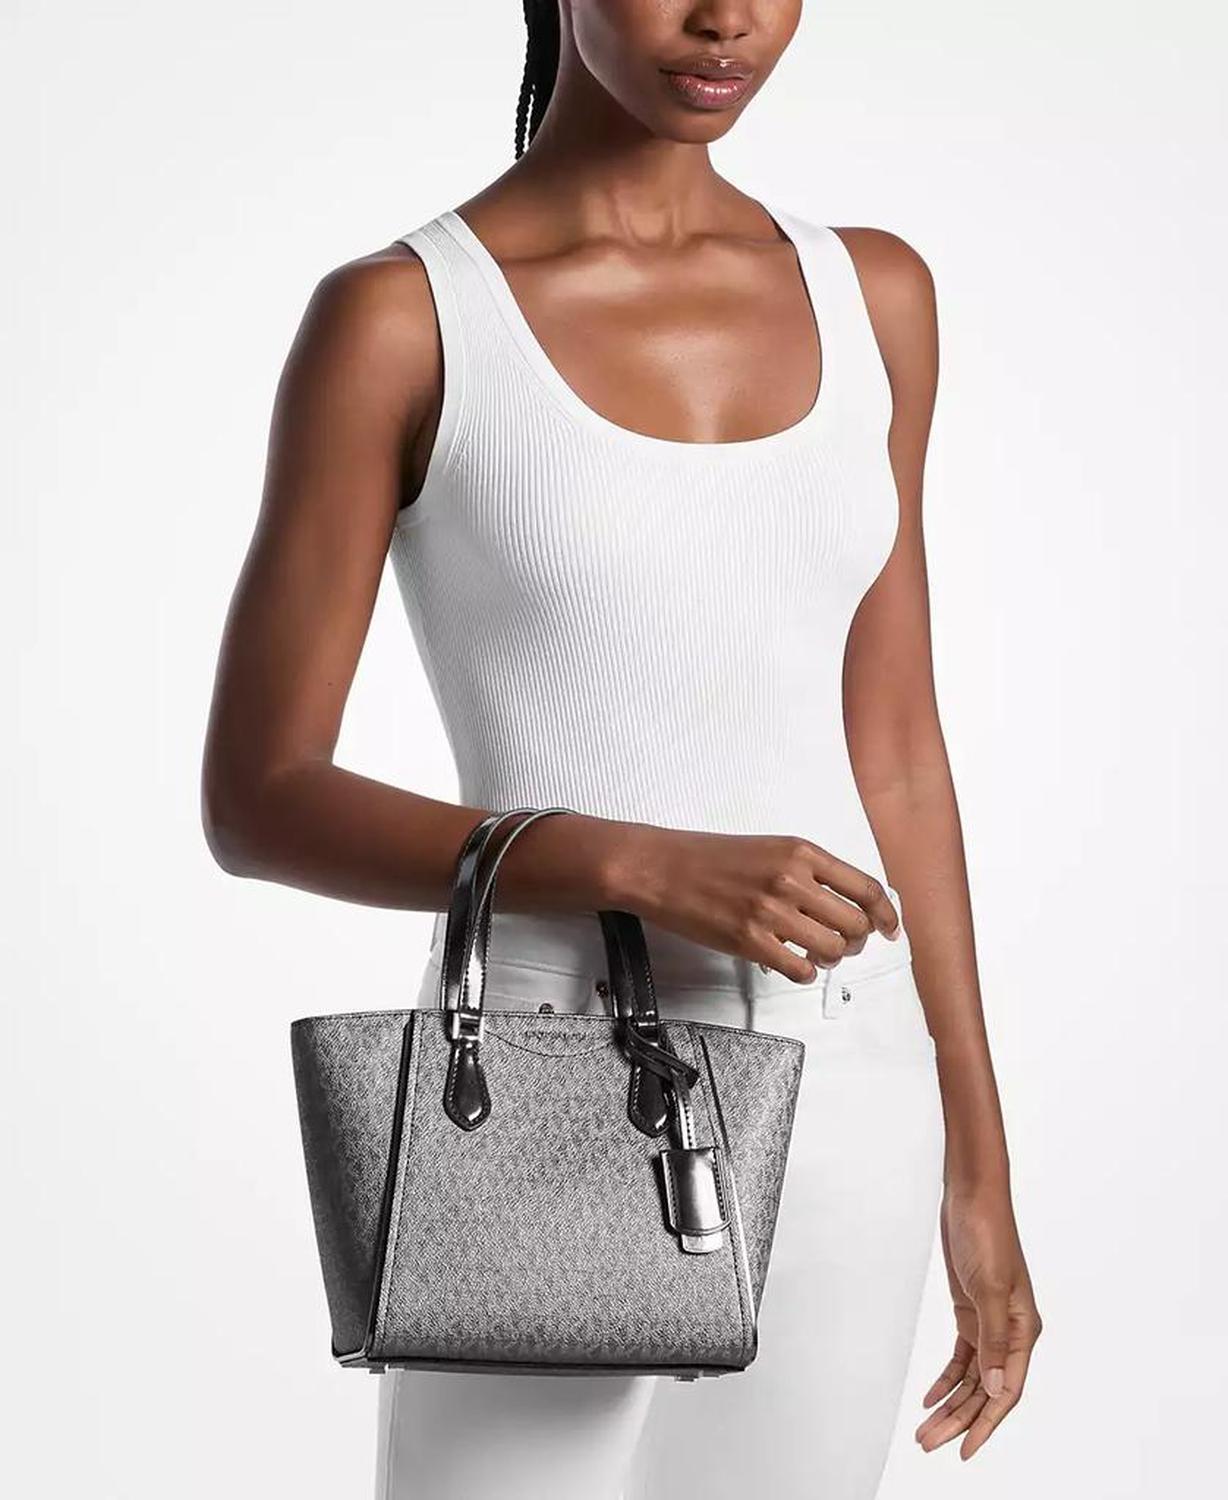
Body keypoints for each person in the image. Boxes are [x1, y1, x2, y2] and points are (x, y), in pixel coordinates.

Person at [201, 2, 1041, 1496]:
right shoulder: (404, 319)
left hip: (853, 1072)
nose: (727, 19)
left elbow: (899, 746)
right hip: (542, 1065)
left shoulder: (875, 295)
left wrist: (977, 1156)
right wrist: (634, 863)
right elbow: (259, 799)